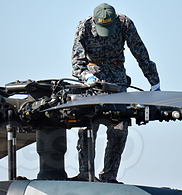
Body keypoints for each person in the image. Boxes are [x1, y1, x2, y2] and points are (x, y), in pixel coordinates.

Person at [71, 3, 160, 183]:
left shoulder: (124, 23)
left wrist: (154, 82)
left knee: (119, 129)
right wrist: (86, 76)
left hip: (117, 82)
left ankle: (109, 176)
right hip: (92, 85)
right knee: (86, 128)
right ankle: (85, 174)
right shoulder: (84, 27)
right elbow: (76, 63)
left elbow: (140, 52)